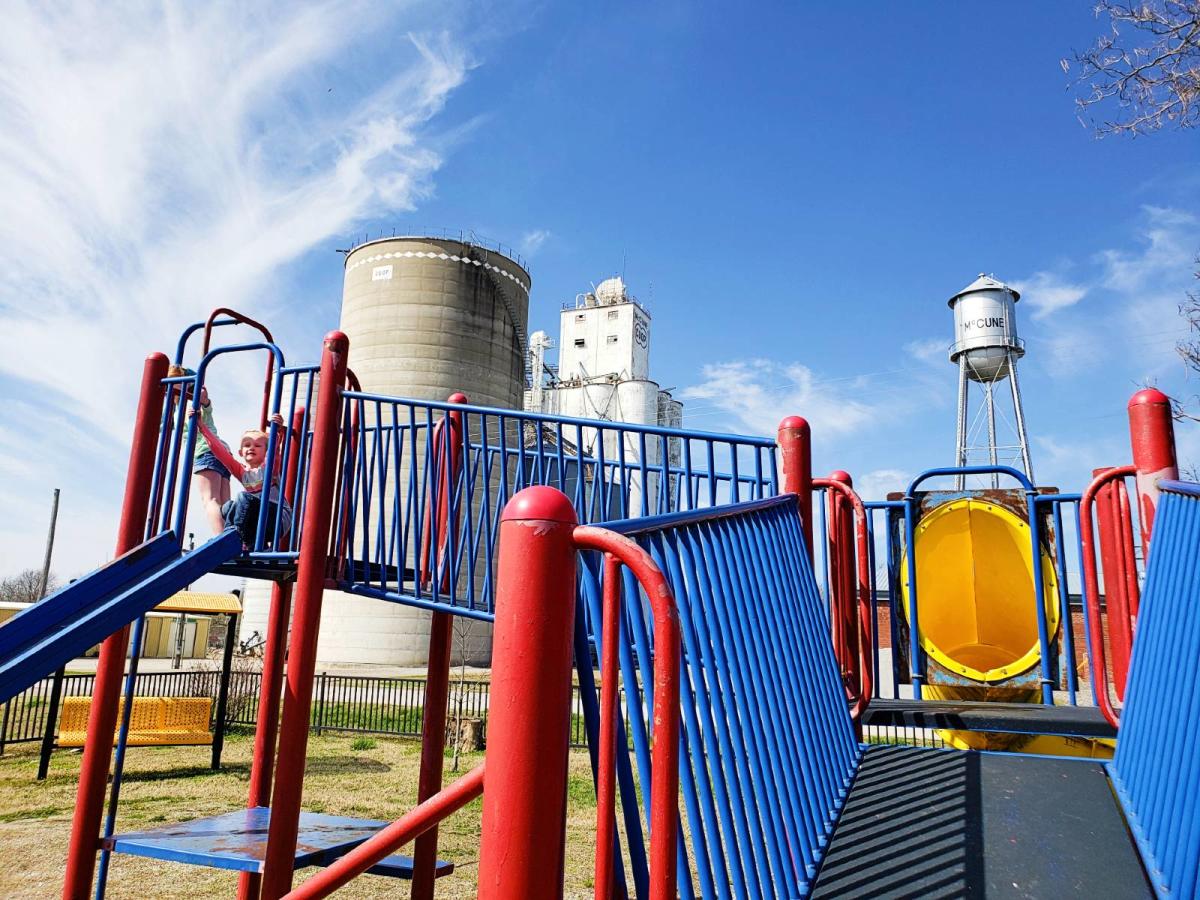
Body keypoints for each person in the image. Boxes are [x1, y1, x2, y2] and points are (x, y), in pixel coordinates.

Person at [189, 408, 291, 548]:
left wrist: (277, 433)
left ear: (266, 451)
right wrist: (202, 426)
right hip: (259, 520)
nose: (251, 448)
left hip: (278, 520)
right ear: (240, 452)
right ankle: (238, 540)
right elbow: (220, 452)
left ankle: (235, 539)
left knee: (243, 498)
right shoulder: (242, 472)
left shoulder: (269, 468)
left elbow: (274, 454)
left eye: (257, 445)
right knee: (227, 507)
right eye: (247, 445)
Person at [168, 365, 231, 534]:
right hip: (223, 452)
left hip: (205, 451)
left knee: (210, 499)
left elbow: (206, 405)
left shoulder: (188, 404)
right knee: (225, 503)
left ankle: (221, 539)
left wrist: (180, 373)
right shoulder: (184, 406)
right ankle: (232, 537)